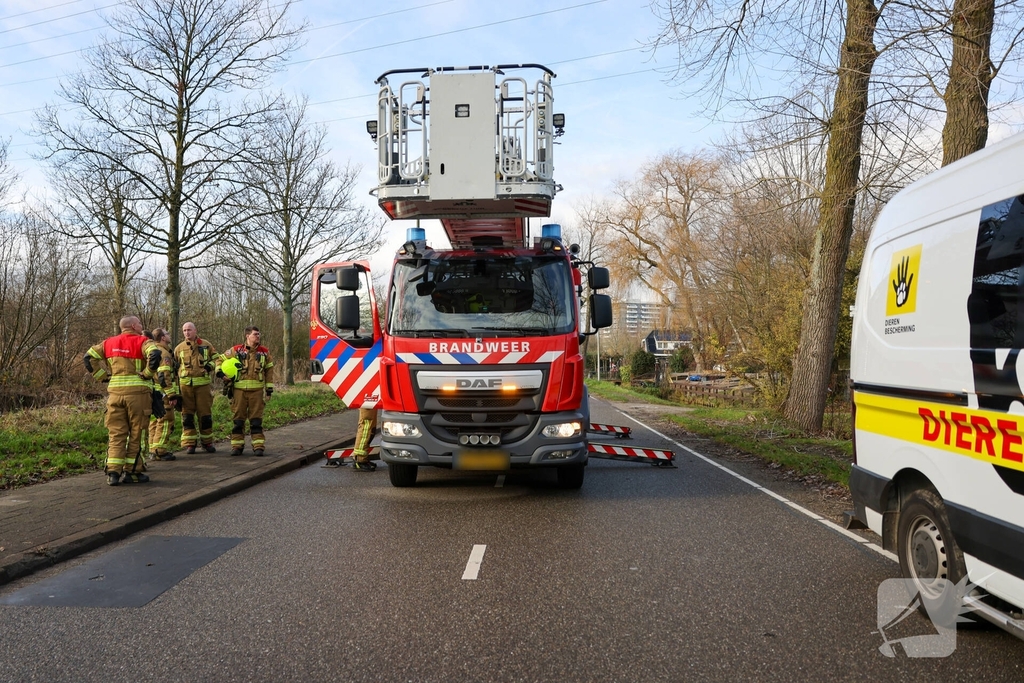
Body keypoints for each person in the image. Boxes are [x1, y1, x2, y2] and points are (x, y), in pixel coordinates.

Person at [84, 315, 166, 486]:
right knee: (137, 433)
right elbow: (156, 354)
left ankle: (113, 473)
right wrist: (147, 374)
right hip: (138, 395)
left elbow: (88, 357)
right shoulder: (143, 341)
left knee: (116, 434)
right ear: (134, 326)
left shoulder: (108, 343)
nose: (141, 326)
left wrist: (102, 376)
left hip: (114, 395)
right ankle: (133, 473)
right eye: (140, 323)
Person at [219, 326, 274, 456]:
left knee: (256, 420)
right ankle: (237, 446)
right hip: (239, 392)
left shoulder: (265, 352)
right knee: (238, 419)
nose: (258, 336)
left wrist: (269, 390)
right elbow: (220, 360)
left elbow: (269, 371)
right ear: (247, 336)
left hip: (257, 392)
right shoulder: (236, 350)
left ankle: (258, 446)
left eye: (259, 334)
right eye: (255, 334)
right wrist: (221, 374)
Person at [174, 322, 222, 454]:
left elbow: (217, 359)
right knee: (187, 416)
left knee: (205, 415)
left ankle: (207, 442)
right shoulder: (179, 348)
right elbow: (174, 368)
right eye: (184, 330)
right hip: (185, 387)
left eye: (189, 330)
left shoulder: (206, 345)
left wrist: (209, 367)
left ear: (195, 330)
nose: (187, 332)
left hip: (203, 386)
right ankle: (190, 444)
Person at [149, 328, 181, 461]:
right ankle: (160, 451)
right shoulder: (164, 353)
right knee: (166, 421)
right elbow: (164, 376)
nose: (169, 335)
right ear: (162, 338)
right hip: (163, 394)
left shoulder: (151, 350)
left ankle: (152, 449)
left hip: (152, 393)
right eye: (167, 334)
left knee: (154, 422)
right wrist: (172, 395)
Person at [351, 406, 379, 472]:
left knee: (370, 428)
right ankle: (359, 460)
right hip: (367, 402)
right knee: (366, 428)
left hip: (369, 402)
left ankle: (361, 459)